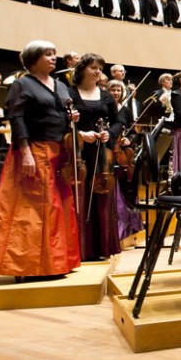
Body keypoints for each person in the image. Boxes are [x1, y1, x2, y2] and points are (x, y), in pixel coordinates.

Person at [0, 40, 81, 280]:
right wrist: (24, 152)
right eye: (48, 54)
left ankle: (56, 262)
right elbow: (17, 118)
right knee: (37, 208)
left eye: (54, 54)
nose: (54, 58)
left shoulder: (60, 85)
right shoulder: (21, 84)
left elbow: (63, 114)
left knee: (58, 206)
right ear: (34, 59)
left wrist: (72, 118)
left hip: (59, 151)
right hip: (35, 149)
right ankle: (30, 265)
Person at [69, 53, 123, 260]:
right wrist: (80, 133)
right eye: (93, 67)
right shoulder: (71, 92)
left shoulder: (106, 96)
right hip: (80, 151)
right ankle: (80, 248)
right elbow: (64, 120)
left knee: (101, 196)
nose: (98, 71)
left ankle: (101, 247)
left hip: (101, 153)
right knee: (80, 196)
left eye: (100, 67)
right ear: (82, 69)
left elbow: (117, 122)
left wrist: (110, 134)